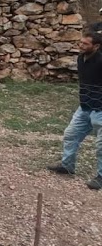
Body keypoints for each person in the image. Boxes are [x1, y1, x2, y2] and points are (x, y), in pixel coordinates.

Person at [48, 32, 102, 190]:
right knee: (70, 134)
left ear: (96, 46)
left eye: (85, 44)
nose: (81, 45)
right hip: (85, 107)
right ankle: (67, 166)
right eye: (81, 42)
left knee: (101, 146)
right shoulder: (81, 58)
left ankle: (101, 177)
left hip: (101, 109)